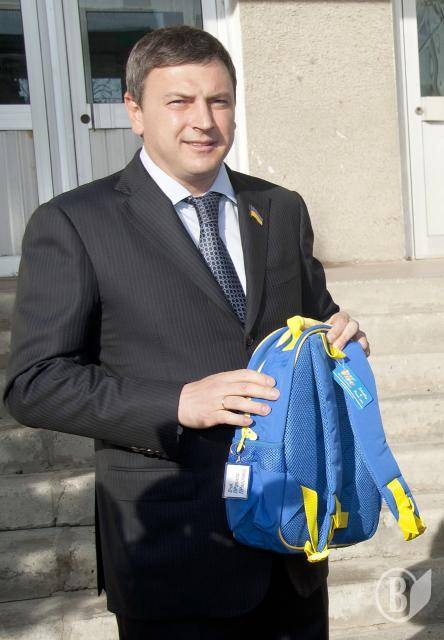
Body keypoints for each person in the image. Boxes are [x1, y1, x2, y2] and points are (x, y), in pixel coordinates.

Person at [3, 25, 369, 640]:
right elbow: (34, 384)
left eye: (219, 101)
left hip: (290, 544)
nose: (203, 120)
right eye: (179, 101)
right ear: (134, 112)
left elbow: (315, 317)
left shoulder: (280, 208)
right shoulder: (73, 222)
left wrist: (341, 341)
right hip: (173, 552)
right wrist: (176, 403)